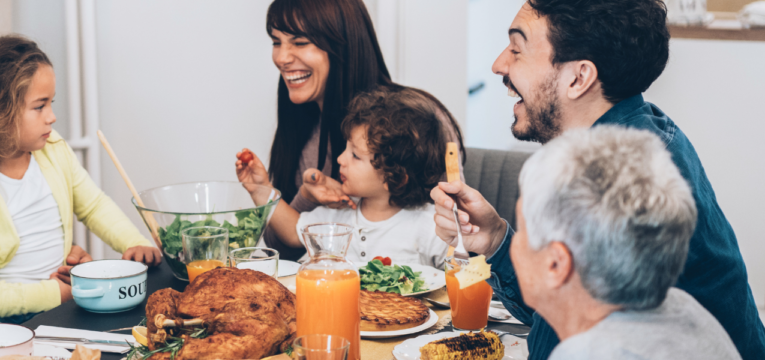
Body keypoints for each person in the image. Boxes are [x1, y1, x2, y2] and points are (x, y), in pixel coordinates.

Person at [431, 0, 765, 358]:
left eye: (516, 48)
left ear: (578, 78)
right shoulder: (634, 139)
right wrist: (495, 239)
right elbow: (567, 308)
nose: (499, 64)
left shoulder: (616, 185)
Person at [0, 35, 162, 335]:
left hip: (56, 300)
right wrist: (55, 293)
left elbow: (94, 205)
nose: (52, 117)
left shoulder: (54, 149)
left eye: (51, 103)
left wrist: (134, 242)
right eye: (39, 106)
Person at [237, 0, 464, 260]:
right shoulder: (302, 121)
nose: (281, 58)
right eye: (276, 42)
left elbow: (459, 248)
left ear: (342, 45)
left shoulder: (416, 123)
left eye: (300, 42)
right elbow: (284, 247)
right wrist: (304, 197)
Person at [510, 126, 739, 360]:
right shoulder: (686, 308)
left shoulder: (588, 354)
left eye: (522, 231)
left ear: (555, 264)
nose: (515, 243)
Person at [245, 85, 452, 268]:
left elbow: (459, 278)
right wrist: (261, 188)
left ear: (394, 178)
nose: (340, 159)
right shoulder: (338, 214)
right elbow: (291, 231)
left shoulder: (432, 226)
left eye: (355, 155)